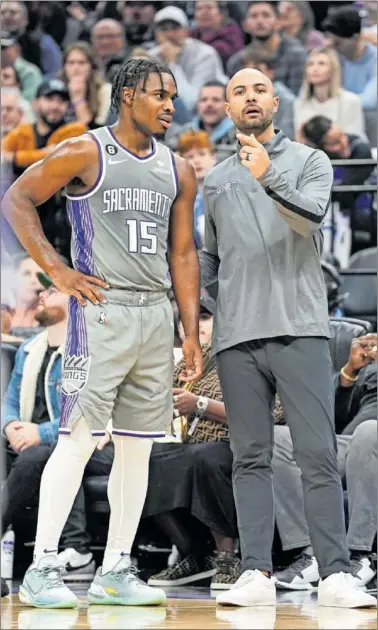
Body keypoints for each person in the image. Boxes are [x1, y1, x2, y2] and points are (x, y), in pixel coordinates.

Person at [2, 57, 202, 609]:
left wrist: (189, 331)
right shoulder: (85, 150)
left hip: (155, 316)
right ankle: (43, 566)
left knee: (137, 450)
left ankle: (116, 567)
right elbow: (17, 199)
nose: (169, 105)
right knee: (78, 439)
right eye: (160, 94)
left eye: (173, 95)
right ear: (129, 95)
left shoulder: (178, 169)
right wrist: (58, 270)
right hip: (102, 311)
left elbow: (183, 253)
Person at [199, 66, 376, 609]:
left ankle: (336, 573)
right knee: (249, 456)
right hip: (236, 337)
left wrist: (266, 175)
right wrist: (212, 305)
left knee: (316, 453)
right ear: (228, 109)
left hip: (300, 328)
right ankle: (255, 570)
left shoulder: (311, 161)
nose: (249, 98)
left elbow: (310, 217)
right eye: (238, 92)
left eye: (258, 90)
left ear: (275, 104)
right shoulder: (214, 180)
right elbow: (210, 257)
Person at [2, 279, 94, 581]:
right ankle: (76, 551)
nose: (41, 295)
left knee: (45, 454)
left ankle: (77, 548)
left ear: (74, 301)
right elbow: (10, 400)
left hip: (88, 439)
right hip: (32, 440)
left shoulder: (86, 349)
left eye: (51, 290)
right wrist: (11, 426)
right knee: (37, 455)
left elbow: (84, 412)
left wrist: (41, 433)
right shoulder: (30, 349)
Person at [273, 335, 377, 591]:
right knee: (279, 438)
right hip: (350, 446)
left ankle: (359, 555)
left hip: (369, 442)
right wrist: (349, 373)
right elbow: (332, 417)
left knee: (368, 432)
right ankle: (311, 554)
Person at [149, 6, 227, 112]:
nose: (170, 34)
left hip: (206, 116)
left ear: (187, 31)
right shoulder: (151, 57)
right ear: (156, 34)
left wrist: (172, 63)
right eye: (164, 29)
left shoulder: (205, 54)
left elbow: (191, 104)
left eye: (175, 28)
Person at [227, 1, 307, 96]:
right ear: (245, 25)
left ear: (279, 22)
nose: (259, 21)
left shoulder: (296, 55)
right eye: (254, 16)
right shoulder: (237, 62)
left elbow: (297, 99)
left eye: (266, 15)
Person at [295, 47, 366, 139]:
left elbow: (354, 139)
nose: (315, 69)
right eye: (310, 64)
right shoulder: (299, 103)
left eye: (321, 64)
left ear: (333, 70)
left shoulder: (351, 101)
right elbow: (299, 140)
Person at [322, 4, 377, 110]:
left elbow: (368, 102)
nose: (332, 46)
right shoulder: (332, 56)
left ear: (355, 38)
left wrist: (331, 101)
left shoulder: (375, 61)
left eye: (337, 43)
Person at [167, 81, 236, 162]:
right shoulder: (186, 131)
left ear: (228, 106)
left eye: (216, 100)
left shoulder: (239, 132)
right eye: (203, 100)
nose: (209, 104)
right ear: (197, 105)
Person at [242, 46, 295, 140]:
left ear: (271, 73)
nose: (252, 77)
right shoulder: (241, 98)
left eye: (258, 70)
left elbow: (286, 137)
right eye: (248, 72)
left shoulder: (286, 100)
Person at [0, 0, 62, 79]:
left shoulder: (43, 42)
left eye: (13, 13)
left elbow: (54, 74)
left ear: (25, 19)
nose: (7, 16)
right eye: (2, 13)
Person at [177, 130, 216, 249]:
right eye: (190, 156)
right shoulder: (179, 199)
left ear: (213, 158)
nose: (197, 161)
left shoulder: (228, 192)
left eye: (202, 154)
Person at [59, 42, 112, 129]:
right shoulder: (57, 89)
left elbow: (97, 132)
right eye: (71, 63)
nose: (76, 68)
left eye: (81, 63)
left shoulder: (105, 91)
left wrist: (78, 99)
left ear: (92, 67)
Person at [190, 0, 244, 69]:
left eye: (209, 8)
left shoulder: (233, 36)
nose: (204, 12)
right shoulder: (189, 37)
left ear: (221, 14)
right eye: (199, 8)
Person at [0, 30, 43, 102]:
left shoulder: (30, 72)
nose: (1, 52)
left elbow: (31, 101)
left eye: (3, 48)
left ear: (15, 48)